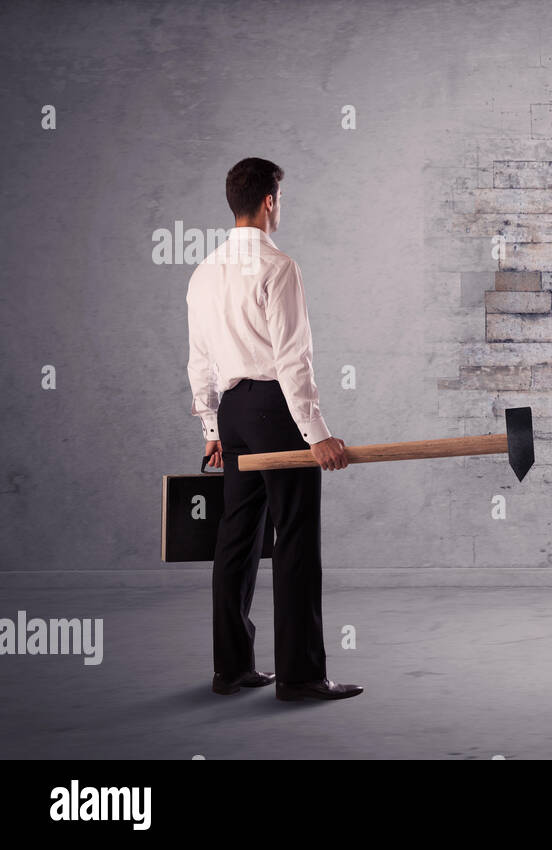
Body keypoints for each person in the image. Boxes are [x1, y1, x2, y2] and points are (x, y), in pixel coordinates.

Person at [186, 157, 362, 701]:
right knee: (295, 539)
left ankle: (232, 670)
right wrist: (317, 435)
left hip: (234, 414)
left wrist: (210, 428)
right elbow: (292, 361)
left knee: (237, 539)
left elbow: (199, 362)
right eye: (280, 199)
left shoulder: (203, 271)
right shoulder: (279, 266)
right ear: (269, 202)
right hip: (275, 411)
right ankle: (302, 677)